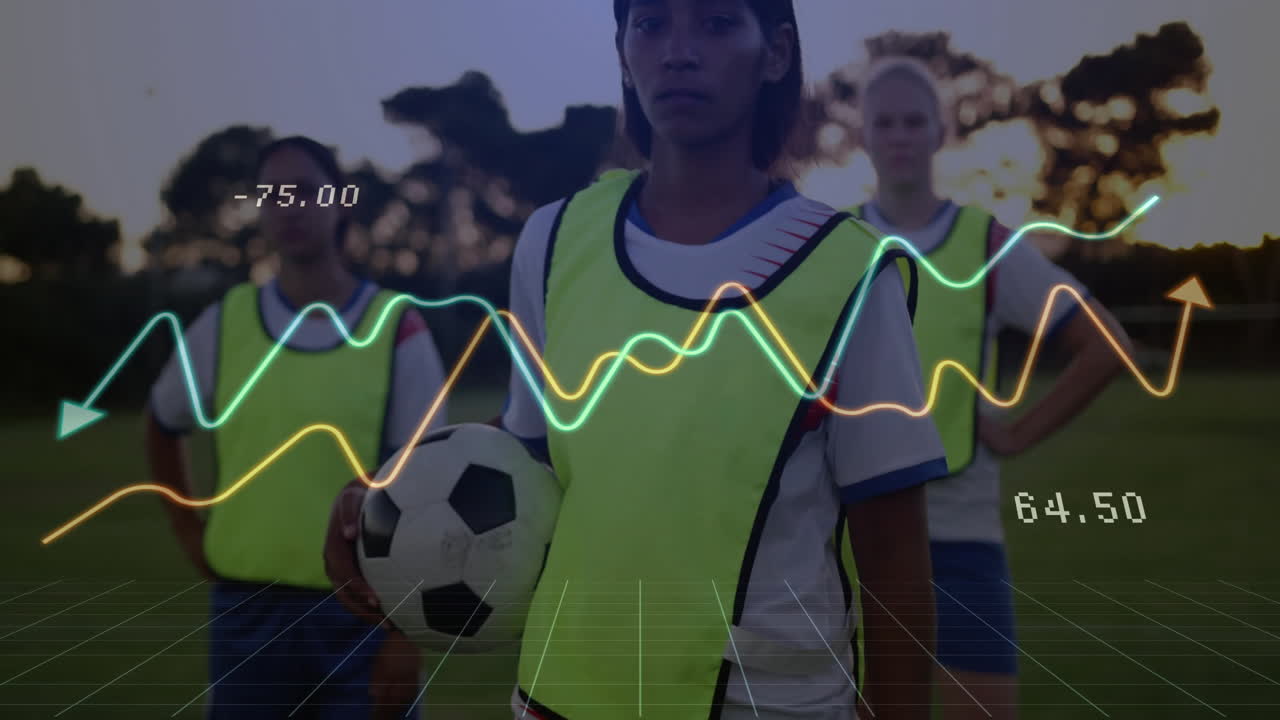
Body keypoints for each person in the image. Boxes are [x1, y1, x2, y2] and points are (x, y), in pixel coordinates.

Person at [326, 2, 949, 718]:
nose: (678, 51)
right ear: (623, 50)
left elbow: (895, 554)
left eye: (716, 22)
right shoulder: (554, 240)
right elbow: (527, 444)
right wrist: (382, 495)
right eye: (651, 22)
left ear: (776, 52)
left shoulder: (847, 272)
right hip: (557, 699)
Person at [847, 57, 1132, 718]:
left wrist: (1014, 433)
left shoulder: (986, 243)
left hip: (962, 531)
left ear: (939, 132)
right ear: (862, 135)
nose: (898, 136)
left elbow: (1104, 344)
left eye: (913, 121)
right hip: (855, 537)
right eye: (883, 122)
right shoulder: (836, 241)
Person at [146, 135, 448, 719]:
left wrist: (406, 635)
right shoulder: (226, 321)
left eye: (306, 190)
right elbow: (161, 423)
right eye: (273, 194)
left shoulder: (396, 327)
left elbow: (431, 489)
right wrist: (188, 529)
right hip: (246, 616)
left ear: (340, 202)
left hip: (363, 618)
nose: (290, 206)